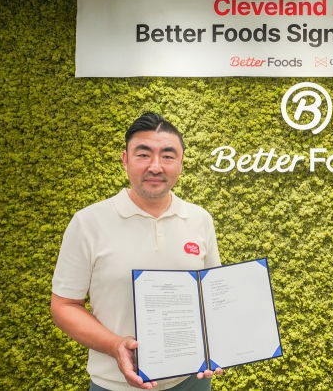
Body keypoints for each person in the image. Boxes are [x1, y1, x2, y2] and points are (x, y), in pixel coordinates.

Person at [51, 112, 222, 390]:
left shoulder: (200, 219)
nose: (156, 166)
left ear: (181, 163)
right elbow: (64, 307)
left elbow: (213, 297)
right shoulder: (88, 222)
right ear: (125, 159)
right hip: (114, 385)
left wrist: (220, 345)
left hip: (192, 381)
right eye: (143, 155)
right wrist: (114, 345)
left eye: (168, 156)